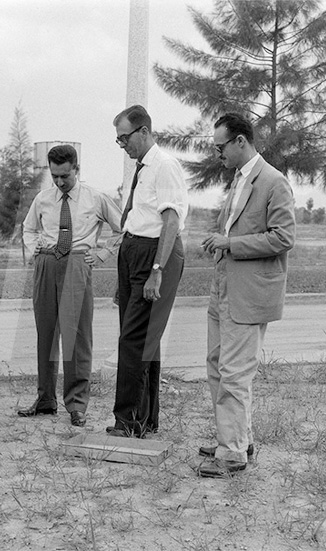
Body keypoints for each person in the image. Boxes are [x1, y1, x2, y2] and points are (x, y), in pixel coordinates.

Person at [197, 113, 295, 477]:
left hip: (248, 294)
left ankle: (232, 453)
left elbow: (284, 237)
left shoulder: (274, 181)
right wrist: (220, 240)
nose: (218, 153)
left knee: (235, 374)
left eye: (221, 146)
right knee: (216, 367)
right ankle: (238, 438)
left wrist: (231, 243)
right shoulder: (238, 180)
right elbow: (238, 228)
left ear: (241, 141)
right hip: (223, 288)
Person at [18, 144, 122, 427]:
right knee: (46, 335)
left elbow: (124, 228)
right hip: (47, 262)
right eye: (55, 176)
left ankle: (76, 404)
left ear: (77, 168)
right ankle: (45, 399)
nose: (60, 182)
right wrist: (34, 250)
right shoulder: (43, 198)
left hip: (77, 262)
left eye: (65, 175)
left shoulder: (95, 198)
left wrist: (102, 253)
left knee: (77, 338)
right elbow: (28, 228)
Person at [109, 105, 188, 438]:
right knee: (143, 340)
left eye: (125, 138)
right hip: (133, 251)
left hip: (153, 253)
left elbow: (171, 220)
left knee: (135, 340)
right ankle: (146, 418)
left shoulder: (165, 166)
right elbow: (138, 217)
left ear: (144, 132)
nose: (123, 145)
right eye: (118, 140)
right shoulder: (142, 169)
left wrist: (157, 269)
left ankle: (128, 421)